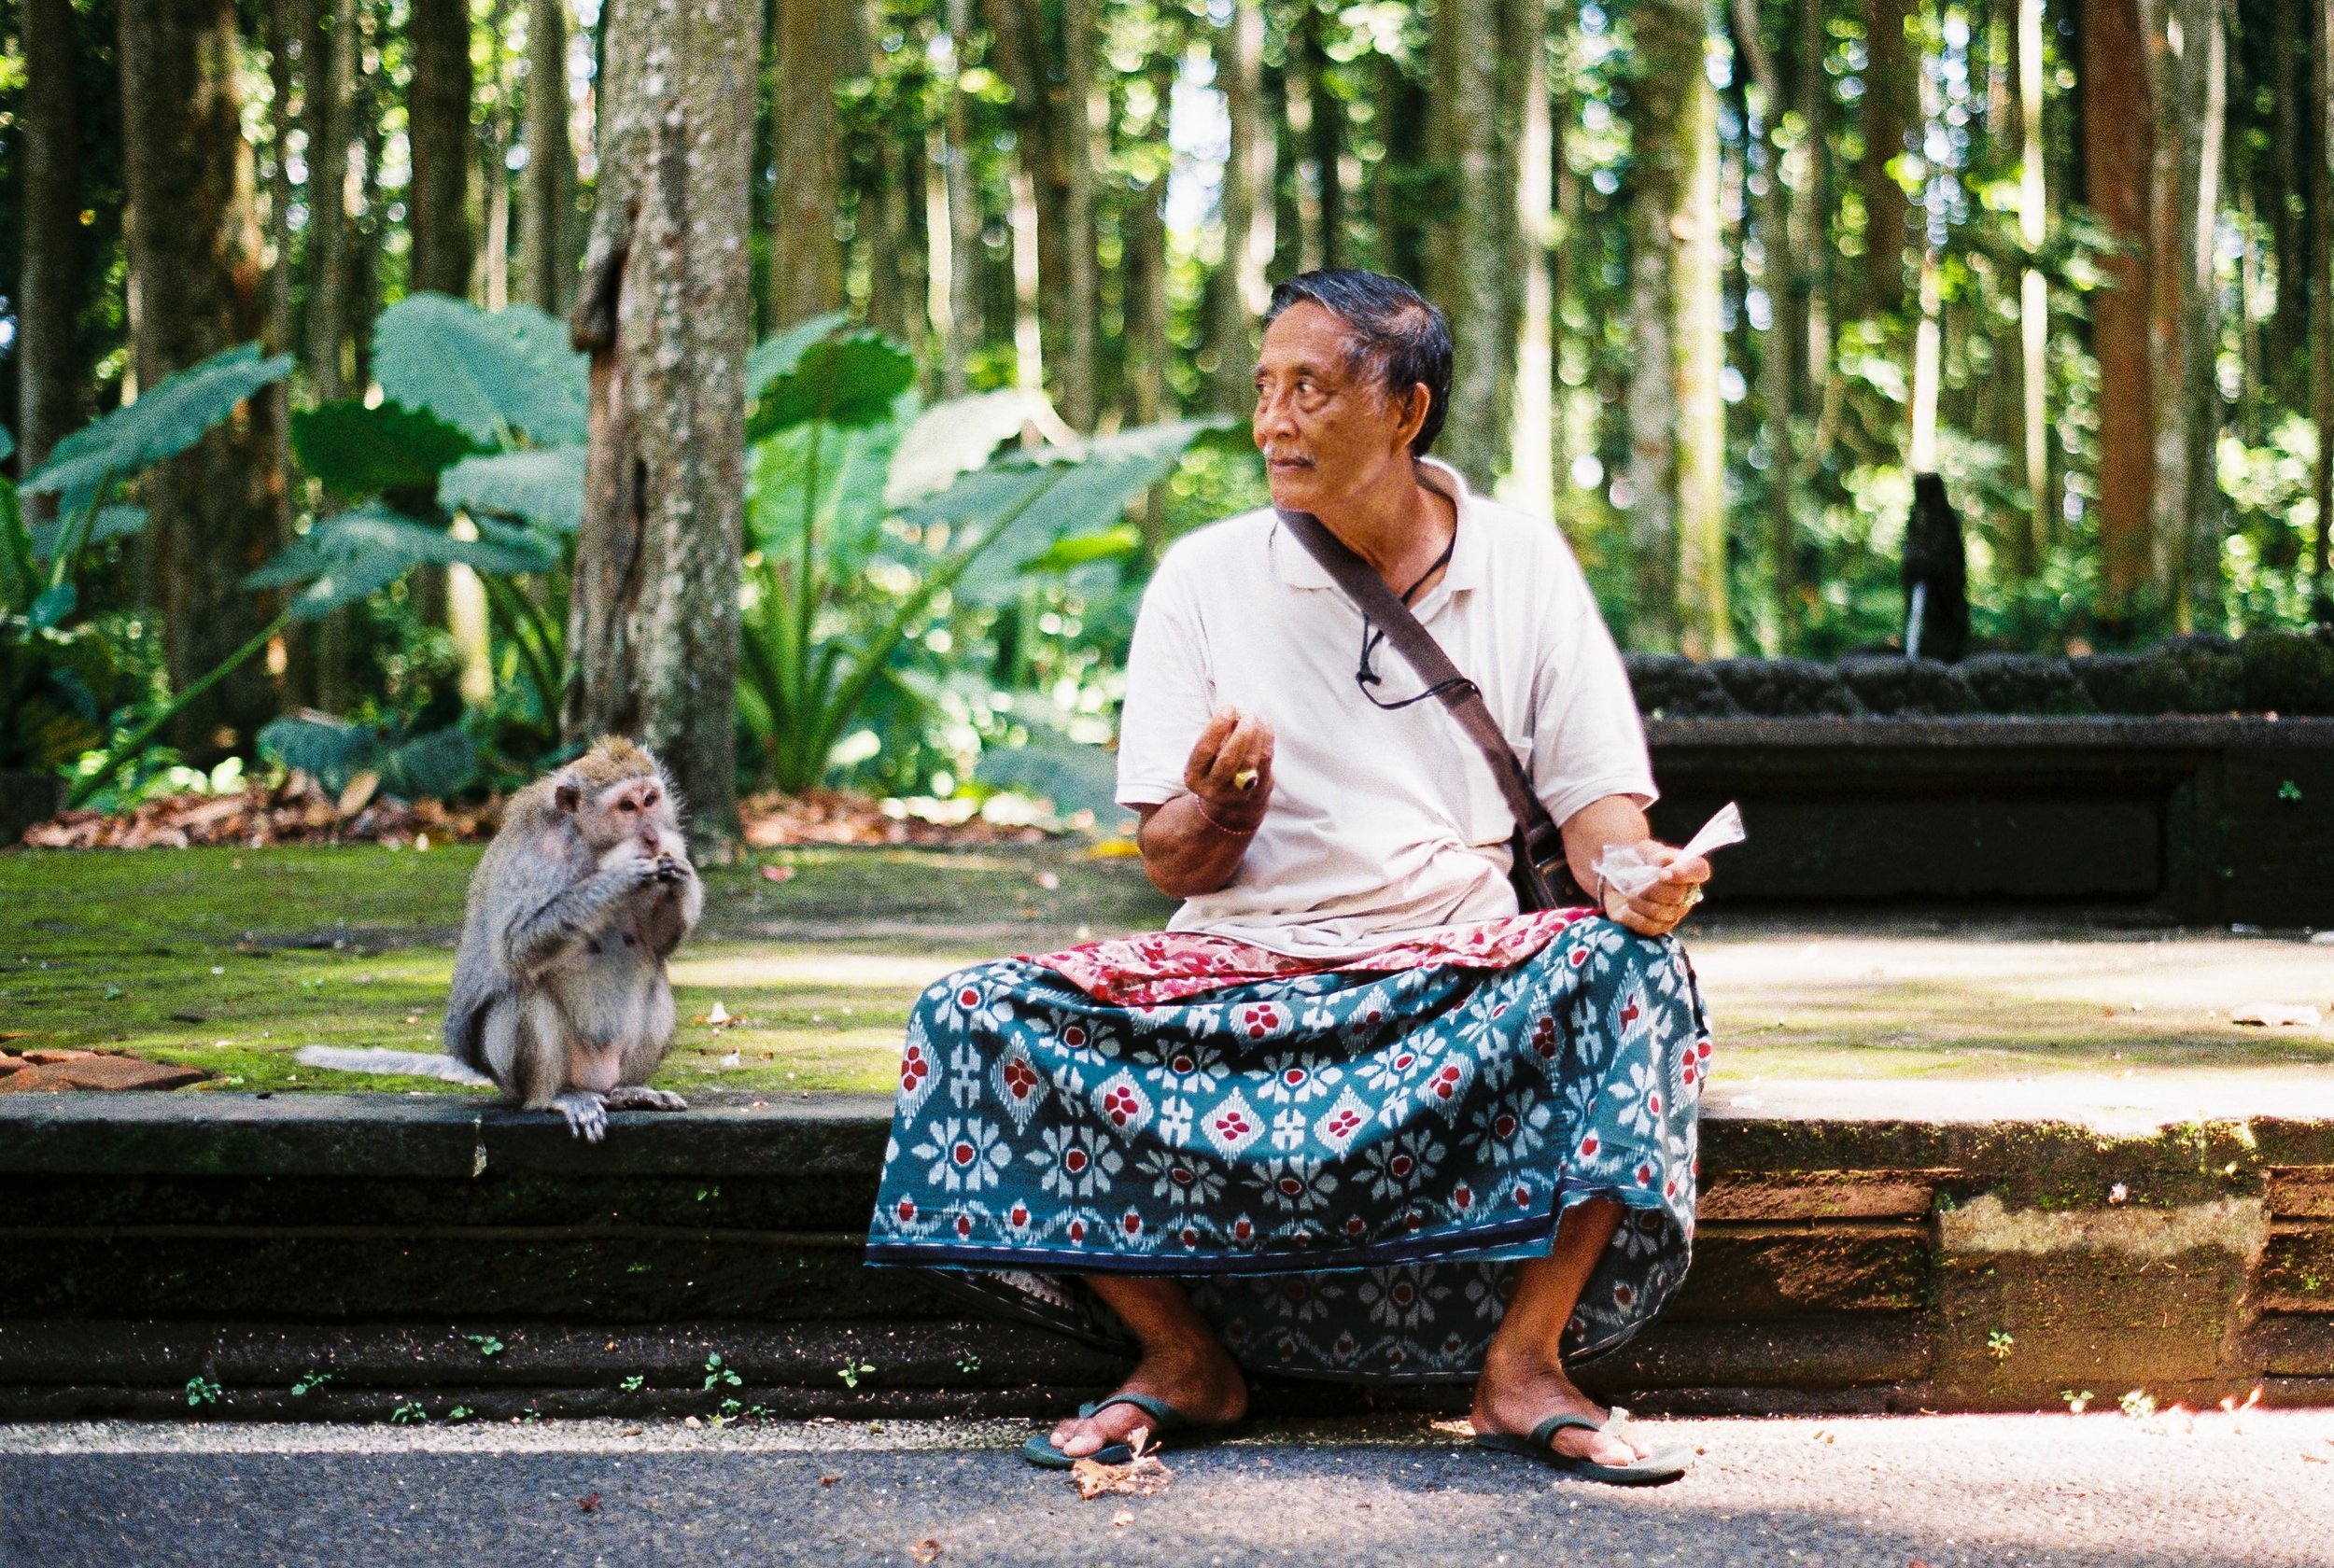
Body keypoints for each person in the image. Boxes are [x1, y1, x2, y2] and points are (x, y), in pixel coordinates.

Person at [865, 269, 1713, 1485]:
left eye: (1309, 390)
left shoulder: (1522, 563)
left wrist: (1642, 878)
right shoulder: (1205, 577)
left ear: (1407, 410)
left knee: (1636, 967)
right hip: (1239, 958)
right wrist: (1217, 809)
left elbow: (1599, 817)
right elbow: (1168, 855)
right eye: (1263, 390)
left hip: (1453, 968)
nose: (1273, 422)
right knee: (971, 1015)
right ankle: (1180, 1357)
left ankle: (1524, 1362)